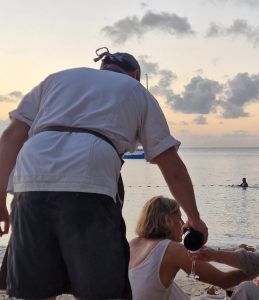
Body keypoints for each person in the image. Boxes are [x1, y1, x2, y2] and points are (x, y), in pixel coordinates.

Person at [0, 47, 208, 299]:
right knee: (101, 291)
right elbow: (170, 163)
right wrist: (194, 218)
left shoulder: (56, 79)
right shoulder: (135, 90)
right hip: (89, 179)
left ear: (103, 67)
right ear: (134, 74)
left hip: (30, 179)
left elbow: (10, 138)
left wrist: (1, 200)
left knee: (35, 291)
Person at [129, 196, 251, 300]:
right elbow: (225, 280)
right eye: (179, 218)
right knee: (245, 290)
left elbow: (200, 254)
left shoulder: (132, 244)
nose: (183, 224)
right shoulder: (171, 249)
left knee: (167, 287)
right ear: (167, 221)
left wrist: (233, 250)